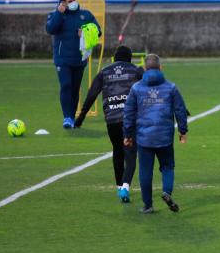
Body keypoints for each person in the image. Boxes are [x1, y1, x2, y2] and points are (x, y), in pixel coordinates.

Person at [74, 45, 143, 203]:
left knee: (117, 151)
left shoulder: (104, 72)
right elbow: (153, 85)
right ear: (129, 58)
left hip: (112, 120)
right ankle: (125, 187)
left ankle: (119, 186)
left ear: (115, 58)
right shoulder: (136, 70)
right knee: (130, 153)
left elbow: (92, 94)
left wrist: (81, 117)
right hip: (130, 120)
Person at [123, 54, 188, 214]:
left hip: (144, 137)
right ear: (161, 67)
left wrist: (127, 135)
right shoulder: (171, 87)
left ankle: (148, 205)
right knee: (167, 167)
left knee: (145, 171)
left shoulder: (136, 88)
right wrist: (182, 131)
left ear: (144, 68)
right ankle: (166, 192)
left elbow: (129, 113)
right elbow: (180, 110)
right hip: (164, 136)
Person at [45, 0, 101, 129]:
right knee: (66, 85)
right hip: (62, 58)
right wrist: (59, 13)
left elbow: (98, 30)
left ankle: (72, 116)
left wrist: (87, 31)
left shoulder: (85, 14)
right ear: (63, 2)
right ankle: (67, 118)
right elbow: (50, 29)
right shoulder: (55, 14)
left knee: (75, 88)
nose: (73, 3)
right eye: (70, 1)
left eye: (74, 0)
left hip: (80, 58)